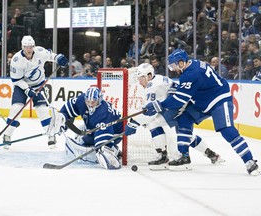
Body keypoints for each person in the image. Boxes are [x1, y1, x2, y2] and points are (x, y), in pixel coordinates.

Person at [144, 48, 260, 176]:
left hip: (219, 99)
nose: (173, 69)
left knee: (227, 129)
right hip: (202, 102)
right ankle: (184, 156)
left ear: (181, 62)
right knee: (183, 118)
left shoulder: (191, 74)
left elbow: (179, 100)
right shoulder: (192, 64)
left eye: (174, 65)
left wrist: (158, 105)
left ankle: (249, 161)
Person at [124, 63, 224, 170]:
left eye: (141, 78)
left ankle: (162, 157)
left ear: (149, 76)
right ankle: (211, 154)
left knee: (152, 123)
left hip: (178, 107)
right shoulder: (159, 78)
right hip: (184, 106)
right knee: (185, 135)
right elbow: (154, 107)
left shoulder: (152, 86)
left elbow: (151, 113)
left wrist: (134, 122)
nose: (139, 82)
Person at [3, 35, 68, 149]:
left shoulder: (39, 51)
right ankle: (7, 135)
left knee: (42, 109)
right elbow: (16, 80)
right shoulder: (16, 60)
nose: (29, 49)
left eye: (31, 46)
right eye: (26, 47)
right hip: (21, 86)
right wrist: (27, 90)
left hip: (38, 85)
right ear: (22, 47)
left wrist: (58, 58)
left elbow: (51, 56)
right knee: (16, 108)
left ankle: (50, 135)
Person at [47, 86, 123, 170]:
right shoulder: (81, 100)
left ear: (99, 100)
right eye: (88, 101)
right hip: (97, 125)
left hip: (116, 132)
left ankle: (113, 150)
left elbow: (103, 133)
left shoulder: (102, 113)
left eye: (93, 102)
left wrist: (102, 148)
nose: (90, 104)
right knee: (81, 134)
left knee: (96, 145)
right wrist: (62, 119)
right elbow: (68, 109)